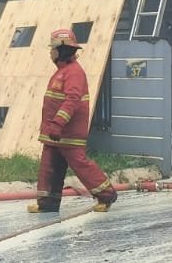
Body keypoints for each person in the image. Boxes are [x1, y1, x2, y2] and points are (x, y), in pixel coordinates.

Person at [28, 27, 117, 214]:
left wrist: (58, 123)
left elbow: (72, 100)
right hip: (55, 133)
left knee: (80, 164)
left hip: (67, 133)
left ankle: (106, 195)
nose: (50, 52)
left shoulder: (73, 72)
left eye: (52, 48)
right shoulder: (62, 71)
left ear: (61, 50)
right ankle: (47, 203)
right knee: (49, 167)